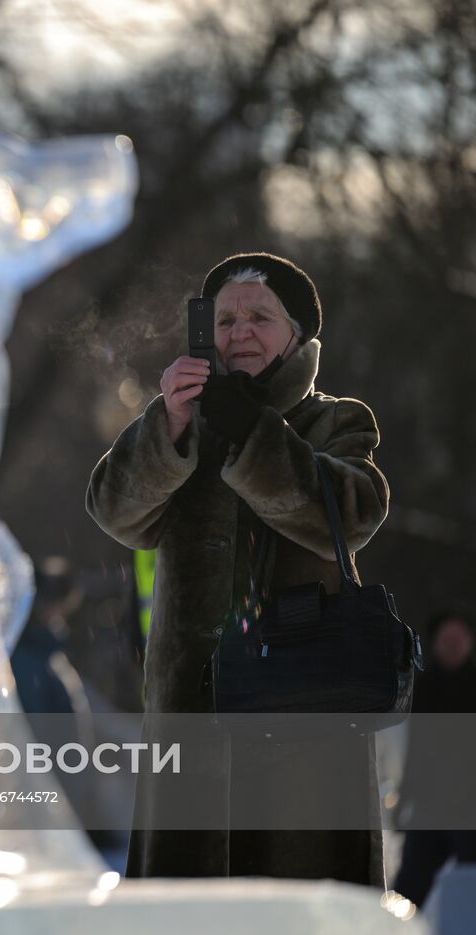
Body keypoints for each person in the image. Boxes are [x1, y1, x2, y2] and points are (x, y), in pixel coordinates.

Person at [85, 252, 390, 885]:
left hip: (303, 719)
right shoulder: (180, 421)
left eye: (259, 317)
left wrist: (251, 433)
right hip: (188, 721)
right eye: (224, 320)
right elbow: (115, 512)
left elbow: (356, 511)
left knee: (295, 906)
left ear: (297, 335)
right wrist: (167, 425)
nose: (238, 332)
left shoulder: (335, 419)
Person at [392, 610, 476, 907]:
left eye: (459, 638)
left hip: (470, 808)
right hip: (430, 806)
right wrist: (404, 798)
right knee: (407, 892)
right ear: (436, 643)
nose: (452, 645)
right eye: (446, 639)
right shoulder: (423, 690)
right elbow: (416, 749)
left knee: (469, 891)